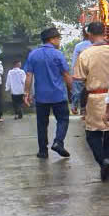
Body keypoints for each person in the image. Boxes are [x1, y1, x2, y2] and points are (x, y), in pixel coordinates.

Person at [72, 22, 109, 180]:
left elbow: (78, 78)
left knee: (92, 134)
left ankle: (102, 160)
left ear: (89, 34)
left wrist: (76, 100)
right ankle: (108, 160)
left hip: (95, 97)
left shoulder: (86, 53)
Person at [24, 28, 73, 159]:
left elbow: (28, 75)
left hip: (41, 97)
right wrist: (72, 91)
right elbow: (66, 75)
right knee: (63, 120)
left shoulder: (33, 54)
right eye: (58, 38)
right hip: (58, 95)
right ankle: (58, 142)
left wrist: (26, 93)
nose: (59, 41)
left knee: (41, 124)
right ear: (52, 39)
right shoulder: (58, 54)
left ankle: (43, 151)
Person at [70, 28, 92, 115]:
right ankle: (85, 109)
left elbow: (74, 62)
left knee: (77, 92)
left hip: (79, 74)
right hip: (91, 74)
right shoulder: (95, 45)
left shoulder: (78, 46)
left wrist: (73, 74)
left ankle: (74, 106)